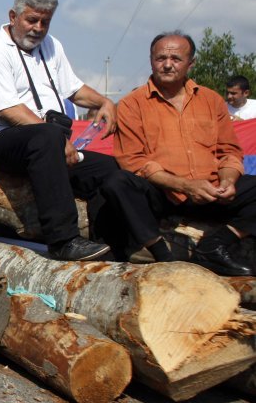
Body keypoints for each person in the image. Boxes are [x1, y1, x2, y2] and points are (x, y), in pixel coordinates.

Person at [0, 0, 117, 261]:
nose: (38, 28)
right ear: (13, 16)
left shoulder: (52, 45)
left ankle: (104, 240)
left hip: (48, 141)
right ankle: (63, 240)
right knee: (47, 138)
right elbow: (9, 110)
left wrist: (103, 102)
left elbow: (73, 88)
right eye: (31, 20)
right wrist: (56, 138)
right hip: (1, 140)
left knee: (108, 168)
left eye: (45, 22)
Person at [106, 32, 256, 276]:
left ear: (191, 63)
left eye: (176, 58)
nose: (167, 64)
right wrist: (185, 185)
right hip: (163, 193)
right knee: (117, 182)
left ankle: (216, 244)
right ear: (151, 60)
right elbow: (134, 161)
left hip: (211, 189)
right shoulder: (132, 104)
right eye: (160, 58)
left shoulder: (211, 99)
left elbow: (229, 151)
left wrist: (228, 180)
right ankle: (161, 254)